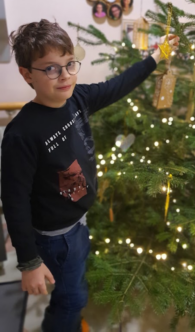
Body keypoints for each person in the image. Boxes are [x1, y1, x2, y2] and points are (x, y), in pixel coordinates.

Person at [1, 19, 180, 332]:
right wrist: (29, 262)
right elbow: (14, 200)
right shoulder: (22, 133)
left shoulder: (78, 99)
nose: (66, 75)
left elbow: (118, 85)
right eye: (51, 68)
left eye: (70, 64)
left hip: (77, 224)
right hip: (56, 237)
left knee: (73, 283)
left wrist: (156, 57)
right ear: (27, 74)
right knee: (72, 297)